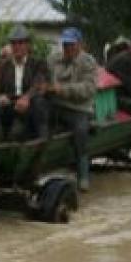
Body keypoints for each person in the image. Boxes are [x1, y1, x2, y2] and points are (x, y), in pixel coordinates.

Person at [45, 27, 99, 190]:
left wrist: (62, 89)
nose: (67, 48)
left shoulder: (88, 62)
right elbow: (41, 73)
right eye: (65, 44)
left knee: (81, 131)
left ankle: (83, 175)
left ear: (80, 45)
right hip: (56, 106)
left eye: (71, 45)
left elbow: (88, 89)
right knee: (36, 118)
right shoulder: (53, 59)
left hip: (79, 109)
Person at [0, 24, 49, 142]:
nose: (17, 46)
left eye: (20, 43)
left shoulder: (38, 63)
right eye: (14, 43)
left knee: (37, 104)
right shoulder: (5, 66)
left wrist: (26, 97)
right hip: (11, 106)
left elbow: (39, 83)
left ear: (27, 45)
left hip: (30, 108)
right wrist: (1, 97)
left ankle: (41, 141)